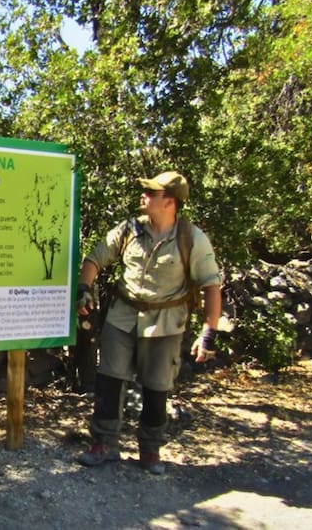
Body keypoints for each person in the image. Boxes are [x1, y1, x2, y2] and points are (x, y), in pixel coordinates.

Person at [75, 171, 222, 474]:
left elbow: (211, 286)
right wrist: (84, 290)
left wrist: (208, 333)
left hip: (166, 324)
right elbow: (94, 259)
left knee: (157, 387)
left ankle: (150, 450)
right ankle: (104, 444)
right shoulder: (129, 230)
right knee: (109, 380)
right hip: (122, 317)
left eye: (151, 193)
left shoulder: (191, 238)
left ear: (170, 201)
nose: (143, 195)